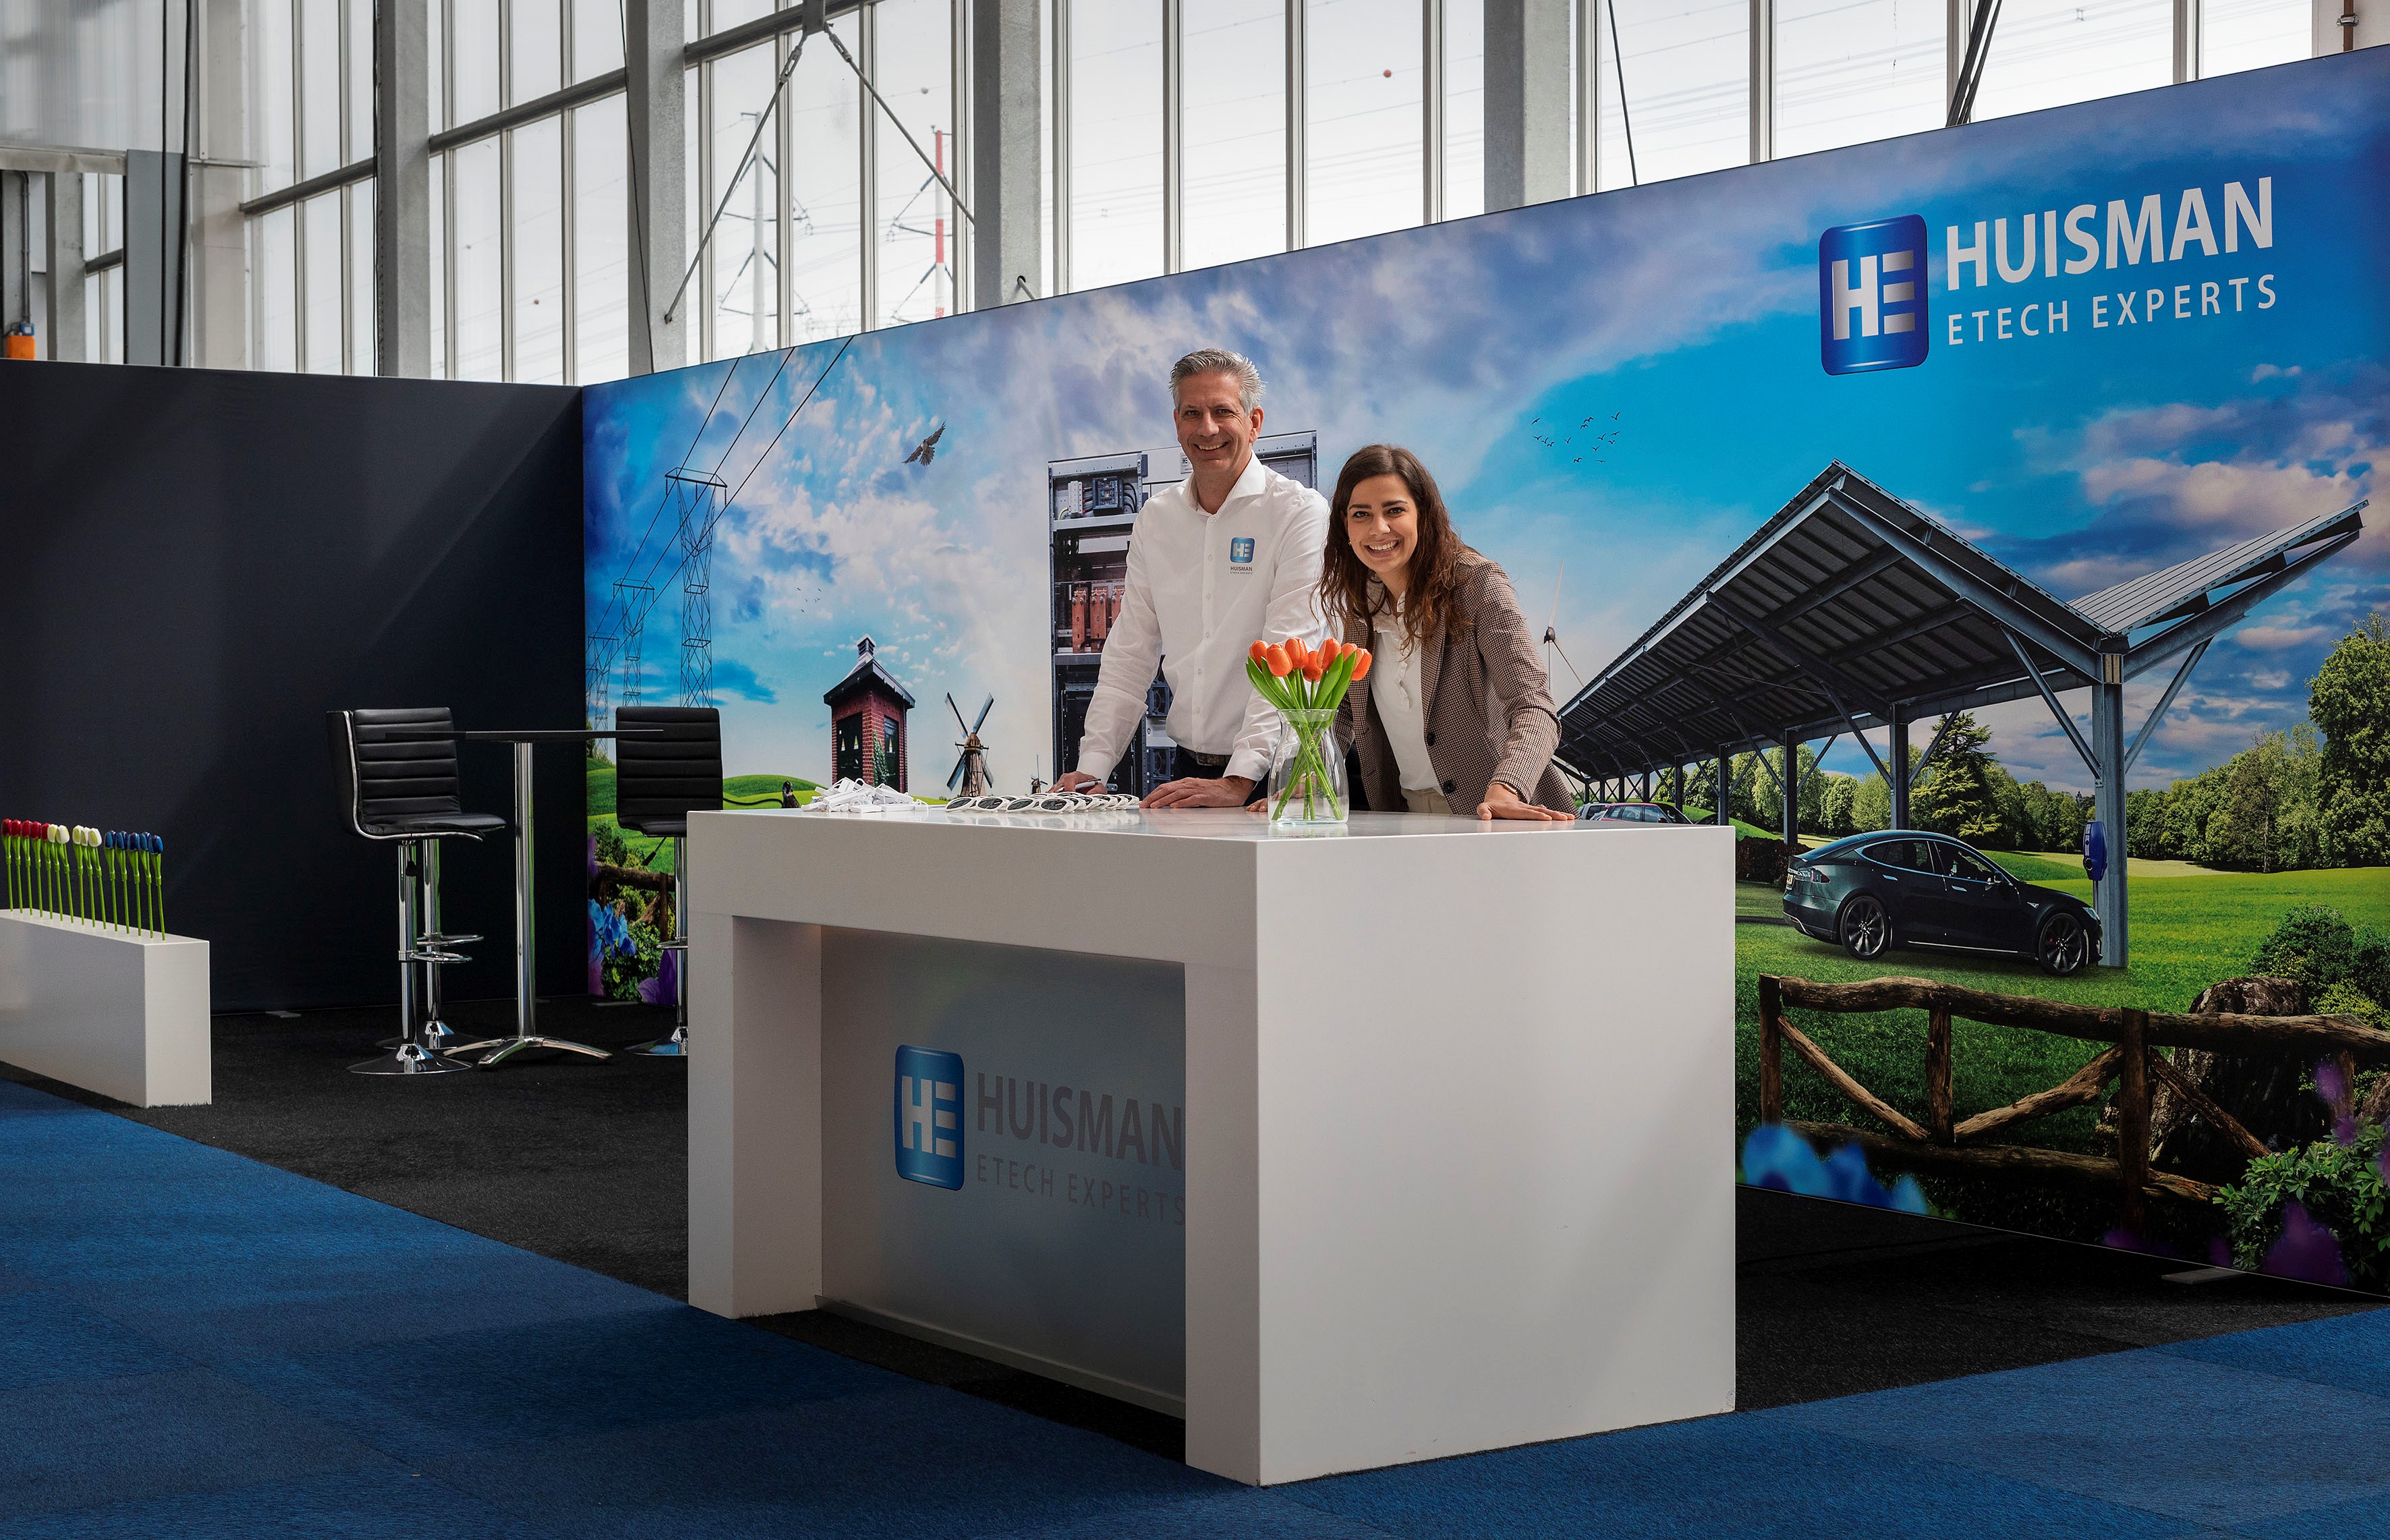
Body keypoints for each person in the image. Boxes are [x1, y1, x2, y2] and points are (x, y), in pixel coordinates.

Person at [1054, 349, 1330, 807]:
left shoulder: (1298, 512)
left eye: (1223, 412)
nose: (1207, 429)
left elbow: (1287, 655)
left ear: (1254, 422)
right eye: (1192, 413)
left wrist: (1239, 778)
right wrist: (1093, 767)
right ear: (1176, 423)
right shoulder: (1157, 519)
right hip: (1190, 770)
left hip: (1277, 774)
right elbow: (1130, 652)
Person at [1324, 444, 1574, 821]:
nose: (1379, 528)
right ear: (1345, 525)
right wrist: (1305, 781)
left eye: (1395, 510)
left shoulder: (1476, 584)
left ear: (1423, 514)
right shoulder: (1360, 607)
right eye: (1361, 514)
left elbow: (1534, 704)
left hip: (1493, 814)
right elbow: (1346, 710)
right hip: (1402, 813)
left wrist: (1508, 788)